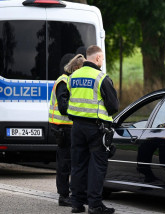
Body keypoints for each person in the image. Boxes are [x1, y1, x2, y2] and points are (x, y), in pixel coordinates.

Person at [67, 45, 119, 214]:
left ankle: (76, 203)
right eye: (102, 59)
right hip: (96, 128)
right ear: (97, 58)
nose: (102, 62)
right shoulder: (100, 77)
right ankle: (95, 205)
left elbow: (70, 98)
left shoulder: (73, 76)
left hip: (77, 127)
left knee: (78, 165)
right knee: (97, 165)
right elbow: (113, 106)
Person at [49, 53, 85, 207]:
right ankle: (63, 196)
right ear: (76, 68)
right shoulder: (64, 81)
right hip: (63, 127)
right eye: (82, 69)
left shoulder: (69, 80)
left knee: (69, 162)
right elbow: (64, 108)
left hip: (66, 127)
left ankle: (70, 194)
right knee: (64, 163)